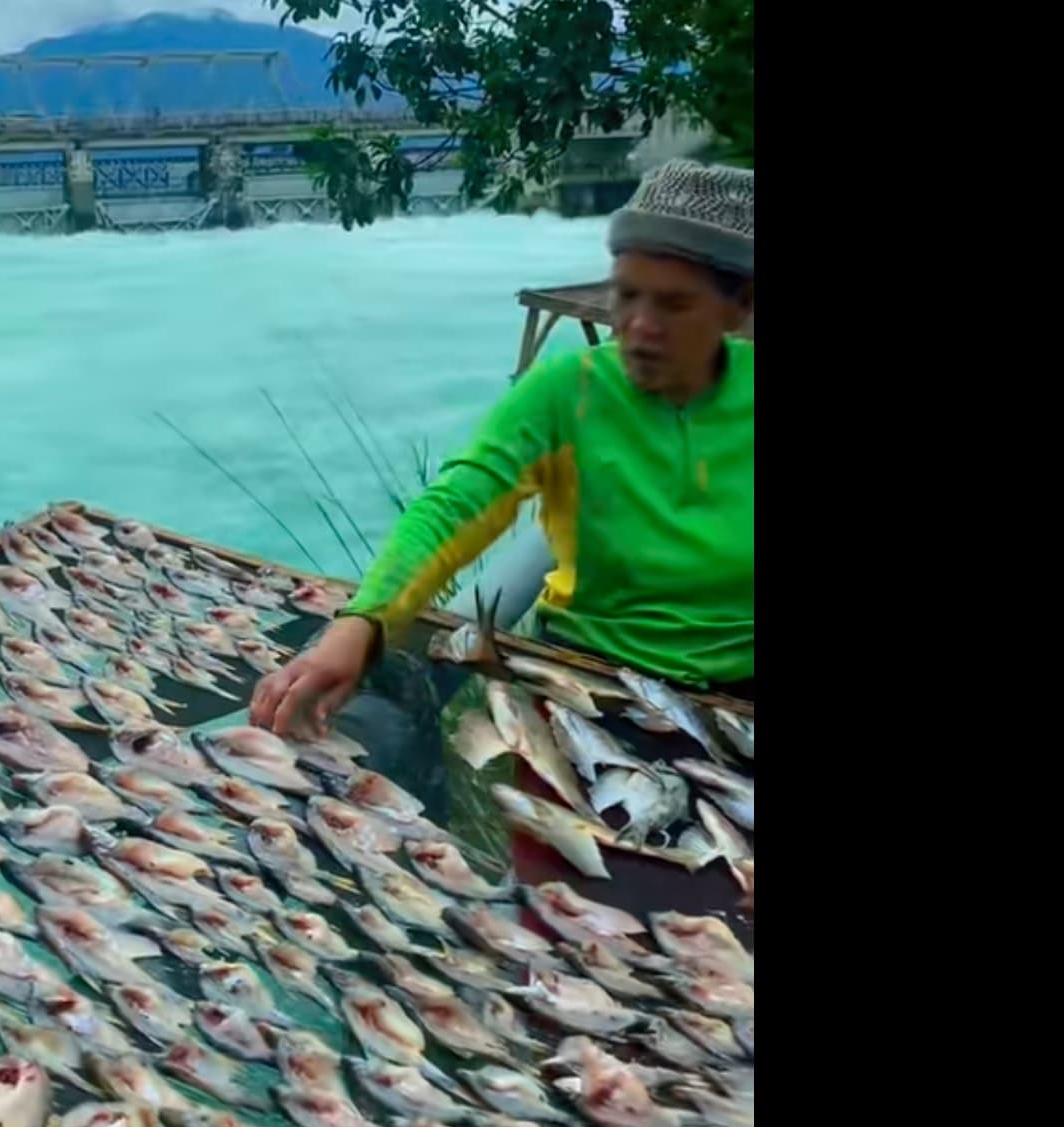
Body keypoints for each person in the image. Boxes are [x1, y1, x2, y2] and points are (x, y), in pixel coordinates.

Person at [252, 159, 754, 738]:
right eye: (627, 295)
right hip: (587, 690)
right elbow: (459, 503)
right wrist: (362, 624)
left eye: (674, 304)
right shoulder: (569, 391)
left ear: (739, 304)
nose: (639, 325)